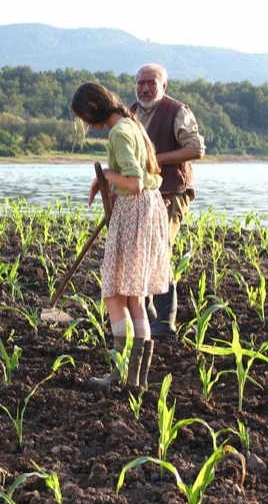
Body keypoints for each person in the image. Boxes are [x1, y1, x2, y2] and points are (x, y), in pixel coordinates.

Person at [69, 81, 171, 390]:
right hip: (144, 211)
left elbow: (135, 181)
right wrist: (104, 183)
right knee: (133, 297)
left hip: (135, 211)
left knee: (115, 293)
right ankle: (134, 379)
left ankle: (120, 374)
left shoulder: (120, 131)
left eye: (85, 118)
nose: (87, 125)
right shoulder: (131, 124)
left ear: (93, 110)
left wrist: (104, 176)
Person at [131, 63, 206, 337]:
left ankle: (166, 320)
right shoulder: (131, 113)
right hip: (142, 192)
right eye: (141, 82)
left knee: (160, 248)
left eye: (152, 82)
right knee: (141, 250)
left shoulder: (177, 111)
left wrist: (156, 160)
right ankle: (148, 313)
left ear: (164, 86)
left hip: (173, 190)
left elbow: (196, 149)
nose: (145, 88)